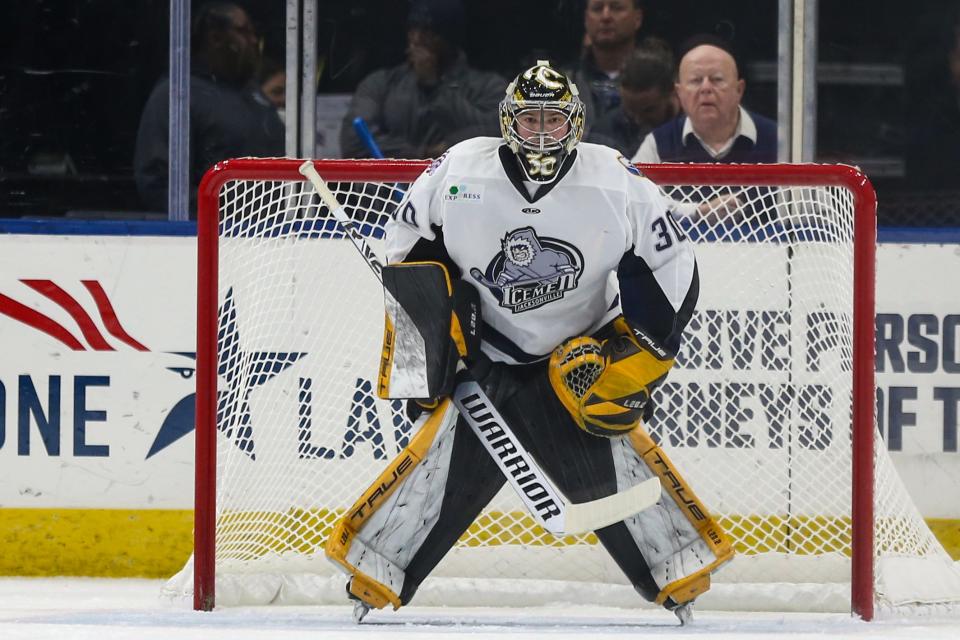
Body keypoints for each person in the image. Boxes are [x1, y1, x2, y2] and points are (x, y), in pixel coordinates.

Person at [324, 61, 733, 626]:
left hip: (582, 354)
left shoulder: (615, 181)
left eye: (553, 121)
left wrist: (637, 356)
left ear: (577, 124)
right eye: (530, 119)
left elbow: (669, 270)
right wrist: (426, 354)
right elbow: (407, 253)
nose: (542, 133)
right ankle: (377, 570)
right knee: (448, 460)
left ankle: (675, 569)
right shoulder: (461, 170)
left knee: (599, 441)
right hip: (485, 350)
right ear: (507, 122)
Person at [133, 2, 284, 214]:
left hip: (271, 233)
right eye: (243, 31)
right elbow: (158, 185)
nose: (253, 40)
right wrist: (224, 213)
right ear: (215, 38)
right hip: (213, 237)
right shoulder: (178, 93)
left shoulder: (252, 93)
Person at [339, 0, 504, 159]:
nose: (416, 39)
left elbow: (500, 136)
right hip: (391, 186)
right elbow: (353, 141)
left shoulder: (488, 86)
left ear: (450, 37)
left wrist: (435, 86)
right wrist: (420, 155)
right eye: (412, 29)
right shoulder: (380, 83)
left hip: (456, 184)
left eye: (428, 31)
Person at [631, 35, 776, 165]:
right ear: (679, 93)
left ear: (739, 90)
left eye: (717, 79)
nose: (706, 88)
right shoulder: (657, 144)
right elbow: (631, 193)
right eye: (696, 80)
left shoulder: (778, 140)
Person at [590, 38, 679, 157]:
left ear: (672, 92)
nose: (638, 119)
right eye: (630, 110)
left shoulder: (697, 130)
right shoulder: (603, 134)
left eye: (648, 110)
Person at [569, 0, 645, 127]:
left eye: (617, 8)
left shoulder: (658, 82)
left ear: (637, 18)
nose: (606, 17)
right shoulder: (562, 83)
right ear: (586, 19)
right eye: (597, 9)